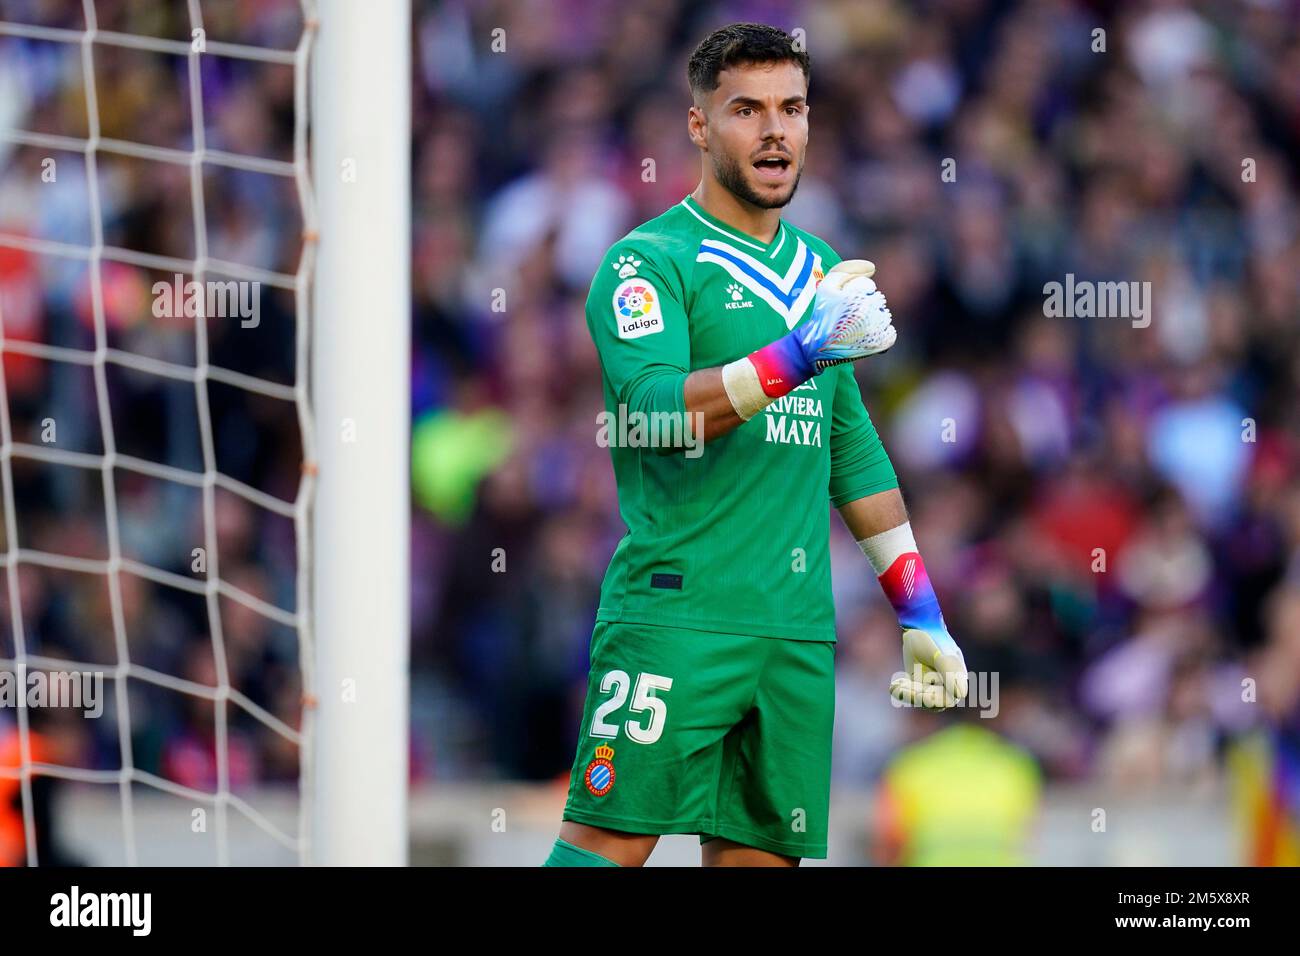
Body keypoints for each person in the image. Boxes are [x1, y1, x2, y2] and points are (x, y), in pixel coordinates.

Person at [544, 22, 968, 868]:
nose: (775, 130)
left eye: (792, 108)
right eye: (746, 109)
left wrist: (920, 612)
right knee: (604, 846)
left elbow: (852, 457)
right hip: (679, 614)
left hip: (797, 630)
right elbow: (654, 409)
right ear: (700, 127)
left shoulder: (822, 272)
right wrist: (800, 352)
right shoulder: (647, 264)